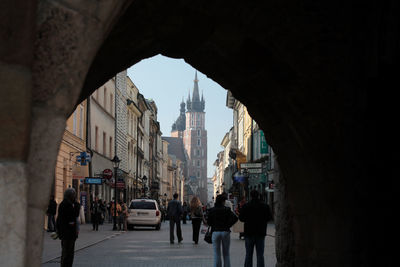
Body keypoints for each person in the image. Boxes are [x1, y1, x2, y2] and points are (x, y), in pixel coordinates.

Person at [239, 190, 272, 267]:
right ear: (258, 195)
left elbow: (241, 218)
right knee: (260, 255)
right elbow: (269, 218)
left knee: (248, 254)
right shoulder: (265, 206)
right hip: (260, 233)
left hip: (249, 233)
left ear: (251, 196)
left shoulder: (246, 206)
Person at [207, 194, 238, 267]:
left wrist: (214, 225)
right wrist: (228, 225)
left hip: (215, 232)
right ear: (222, 201)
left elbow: (209, 222)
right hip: (225, 232)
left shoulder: (212, 210)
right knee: (226, 253)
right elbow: (235, 218)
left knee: (216, 253)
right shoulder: (227, 209)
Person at [56, 188, 80, 267]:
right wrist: (76, 204)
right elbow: (74, 214)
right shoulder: (66, 205)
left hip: (68, 233)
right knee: (67, 253)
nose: (75, 196)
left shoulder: (65, 204)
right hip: (68, 234)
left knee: (68, 253)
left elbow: (59, 219)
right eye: (74, 195)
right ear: (70, 196)